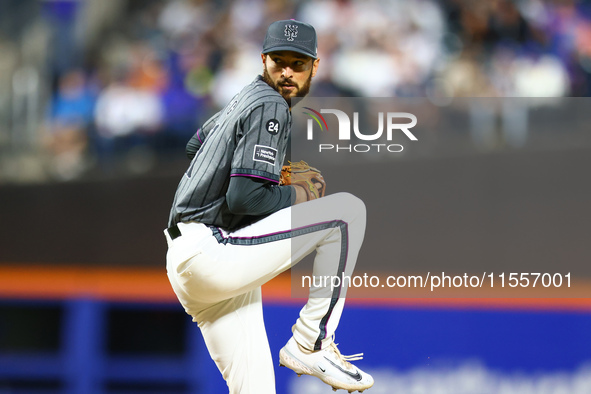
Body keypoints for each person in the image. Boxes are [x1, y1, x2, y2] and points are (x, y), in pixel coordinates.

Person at [164, 20, 374, 394]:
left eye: (298, 63)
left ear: (314, 66)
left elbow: (197, 146)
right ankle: (311, 343)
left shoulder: (245, 96)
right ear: (264, 60)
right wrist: (298, 193)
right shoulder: (272, 104)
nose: (288, 71)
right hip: (210, 251)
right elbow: (243, 199)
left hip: (193, 261)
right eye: (279, 61)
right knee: (346, 213)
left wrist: (270, 176)